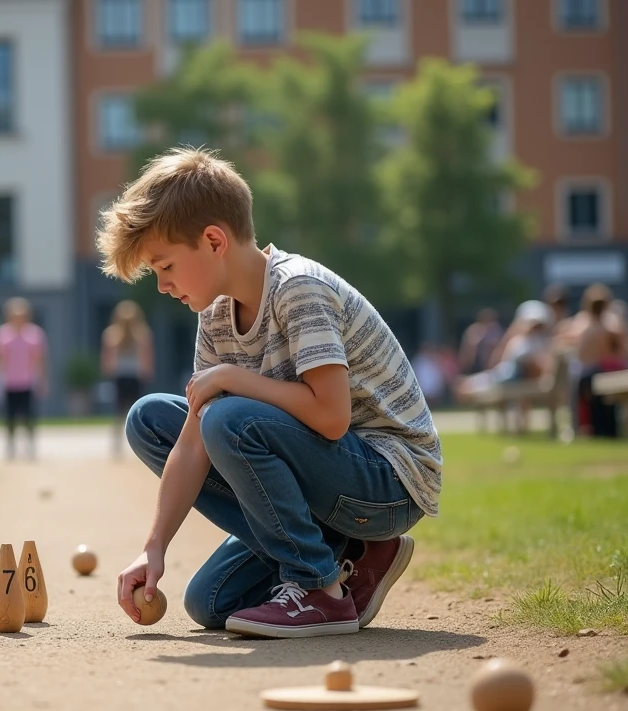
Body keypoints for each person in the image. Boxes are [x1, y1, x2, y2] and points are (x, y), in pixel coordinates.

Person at [97, 148, 441, 638]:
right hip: (328, 480)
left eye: (165, 266)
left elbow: (332, 418)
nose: (162, 286)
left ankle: (319, 588)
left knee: (228, 418)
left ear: (214, 240)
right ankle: (344, 552)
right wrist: (154, 546)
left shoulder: (296, 289)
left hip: (387, 481)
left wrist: (234, 381)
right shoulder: (215, 315)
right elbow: (192, 444)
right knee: (210, 599)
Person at [0, 297, 48, 460]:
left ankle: (30, 446)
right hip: (9, 383)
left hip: (28, 382)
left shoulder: (35, 334)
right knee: (9, 418)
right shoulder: (2, 335)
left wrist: (42, 379)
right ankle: (11, 447)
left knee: (29, 416)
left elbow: (40, 359)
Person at [101, 300, 154, 458]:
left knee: (119, 411)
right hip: (135, 376)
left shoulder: (112, 334)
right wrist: (148, 372)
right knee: (138, 412)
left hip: (120, 376)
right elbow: (148, 357)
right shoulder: (143, 333)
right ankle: (142, 443)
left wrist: (108, 372)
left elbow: (107, 359)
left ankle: (117, 444)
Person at [573, 285, 625, 438]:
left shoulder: (585, 327)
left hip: (589, 375)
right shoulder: (607, 328)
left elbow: (581, 355)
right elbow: (618, 353)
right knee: (603, 409)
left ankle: (593, 431)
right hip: (599, 374)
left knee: (595, 409)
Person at [458, 308, 502, 375]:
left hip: (492, 365)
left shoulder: (496, 330)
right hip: (475, 364)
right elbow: (468, 349)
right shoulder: (474, 330)